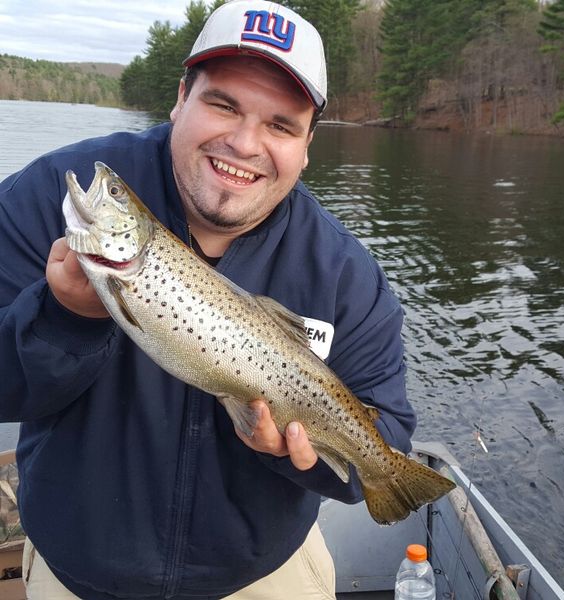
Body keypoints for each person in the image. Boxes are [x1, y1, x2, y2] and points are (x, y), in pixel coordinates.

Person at [0, 1, 416, 598]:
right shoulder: (46, 196)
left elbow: (387, 448)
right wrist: (64, 322)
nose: (245, 143)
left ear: (307, 144)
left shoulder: (347, 274)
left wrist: (289, 451)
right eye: (224, 104)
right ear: (180, 98)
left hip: (265, 573)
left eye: (280, 124)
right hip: (78, 572)